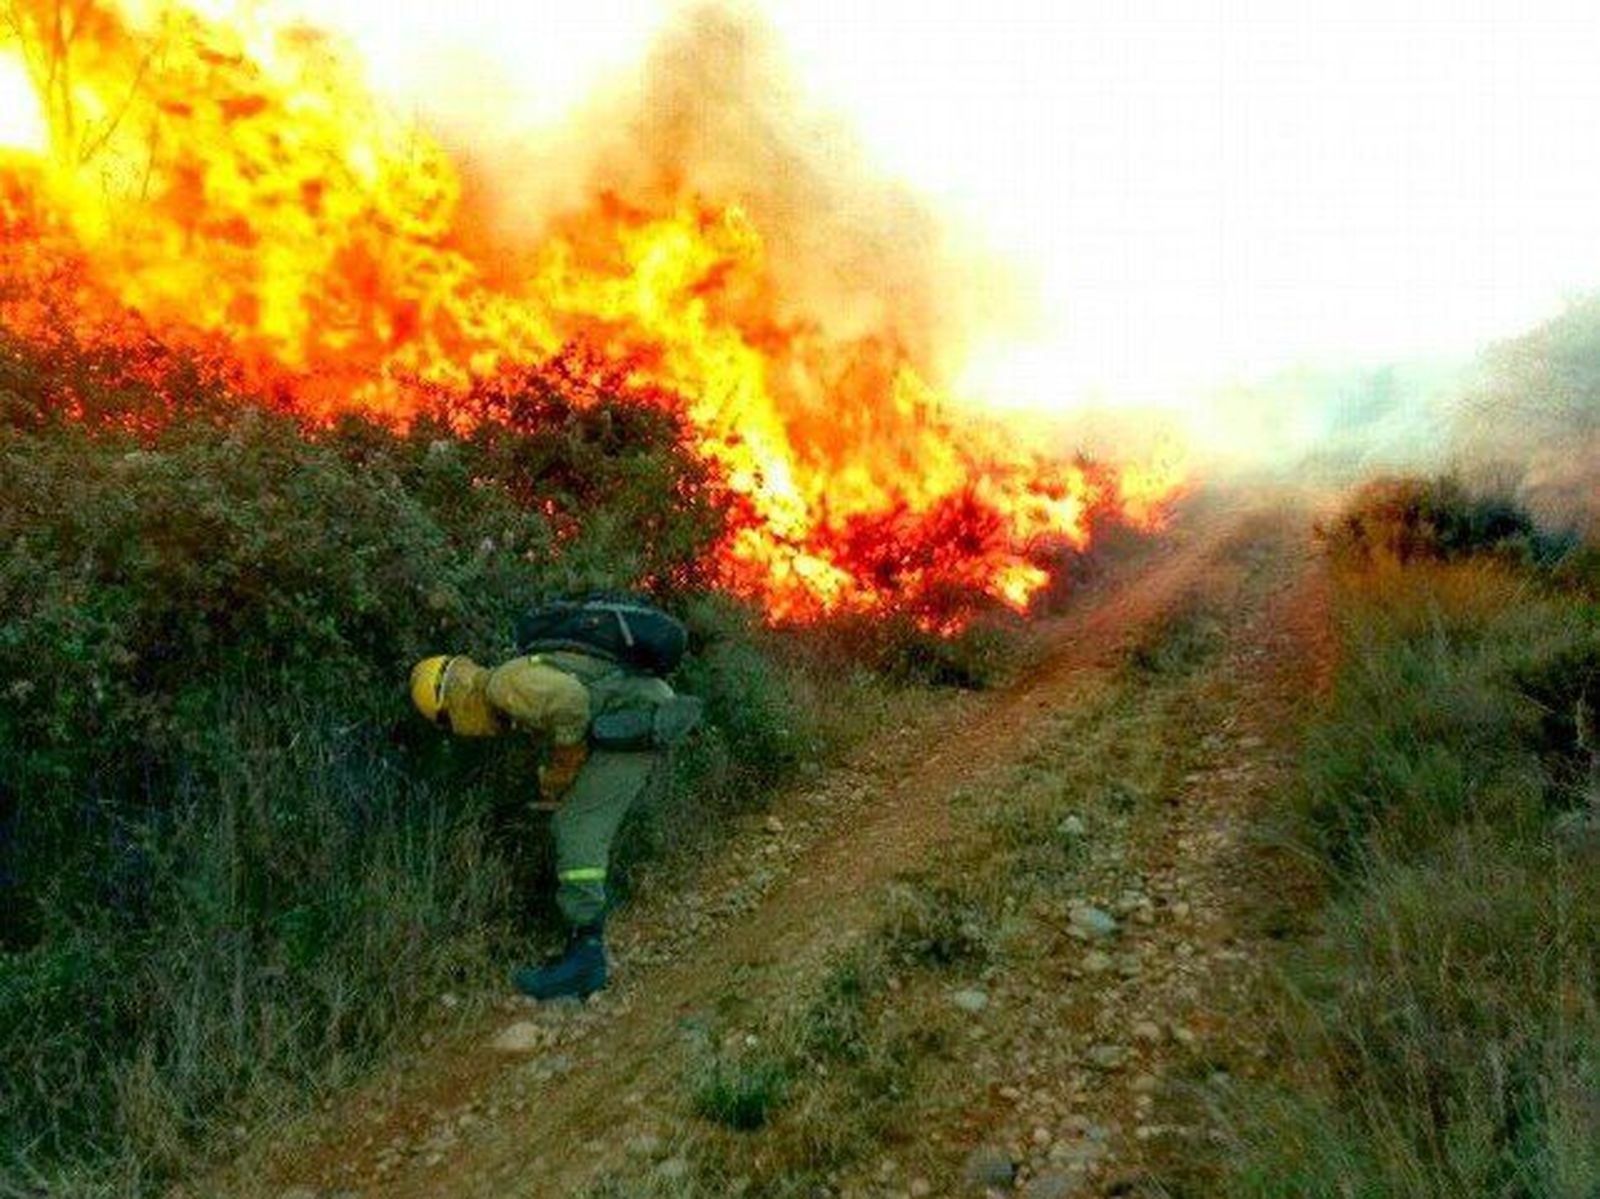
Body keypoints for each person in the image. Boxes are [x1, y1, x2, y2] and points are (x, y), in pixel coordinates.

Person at [408, 647, 676, 1000]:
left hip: (639, 716)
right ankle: (580, 941)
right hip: (634, 713)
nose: (455, 730)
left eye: (445, 721)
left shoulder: (502, 686)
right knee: (575, 819)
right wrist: (556, 776)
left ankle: (585, 962)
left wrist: (565, 769)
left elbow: (572, 703)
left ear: (451, 700)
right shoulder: (508, 683)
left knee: (576, 826)